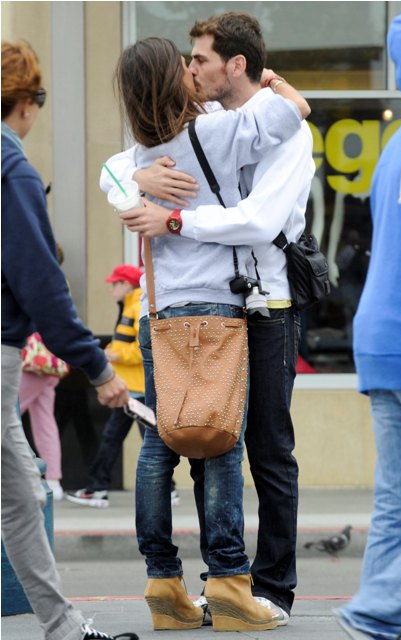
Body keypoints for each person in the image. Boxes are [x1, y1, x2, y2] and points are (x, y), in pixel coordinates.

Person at [101, 11, 315, 626]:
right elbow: (292, 111)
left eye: (201, 58)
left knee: (164, 442)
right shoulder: (218, 132)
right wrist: (282, 87)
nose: (194, 68)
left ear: (232, 64)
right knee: (221, 446)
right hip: (218, 311)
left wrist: (141, 187)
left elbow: (110, 173)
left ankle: (163, 579)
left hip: (162, 310)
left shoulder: (149, 149)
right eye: (186, 63)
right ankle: (226, 579)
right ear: (175, 80)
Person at [1, 39, 138, 640]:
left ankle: (62, 625)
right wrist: (99, 369)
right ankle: (63, 626)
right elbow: (41, 284)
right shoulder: (12, 167)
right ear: (26, 101)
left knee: (21, 497)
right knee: (19, 498)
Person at [334, 5, 401, 640]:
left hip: (383, 342)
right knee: (398, 505)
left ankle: (381, 630)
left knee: (397, 505)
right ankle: (377, 614)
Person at [67, 264, 145, 508]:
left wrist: (116, 356)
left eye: (115, 284)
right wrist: (114, 351)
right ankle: (97, 487)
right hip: (131, 387)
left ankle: (97, 488)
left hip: (135, 388)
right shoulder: (129, 306)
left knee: (123, 439)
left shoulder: (135, 306)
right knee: (130, 440)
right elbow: (128, 343)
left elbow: (144, 347)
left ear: (126, 285)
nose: (112, 289)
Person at [19, 243, 69, 501]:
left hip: (31, 359)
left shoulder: (35, 279)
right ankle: (53, 480)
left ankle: (45, 479)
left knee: (8, 416)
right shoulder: (58, 283)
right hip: (51, 361)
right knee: (44, 422)